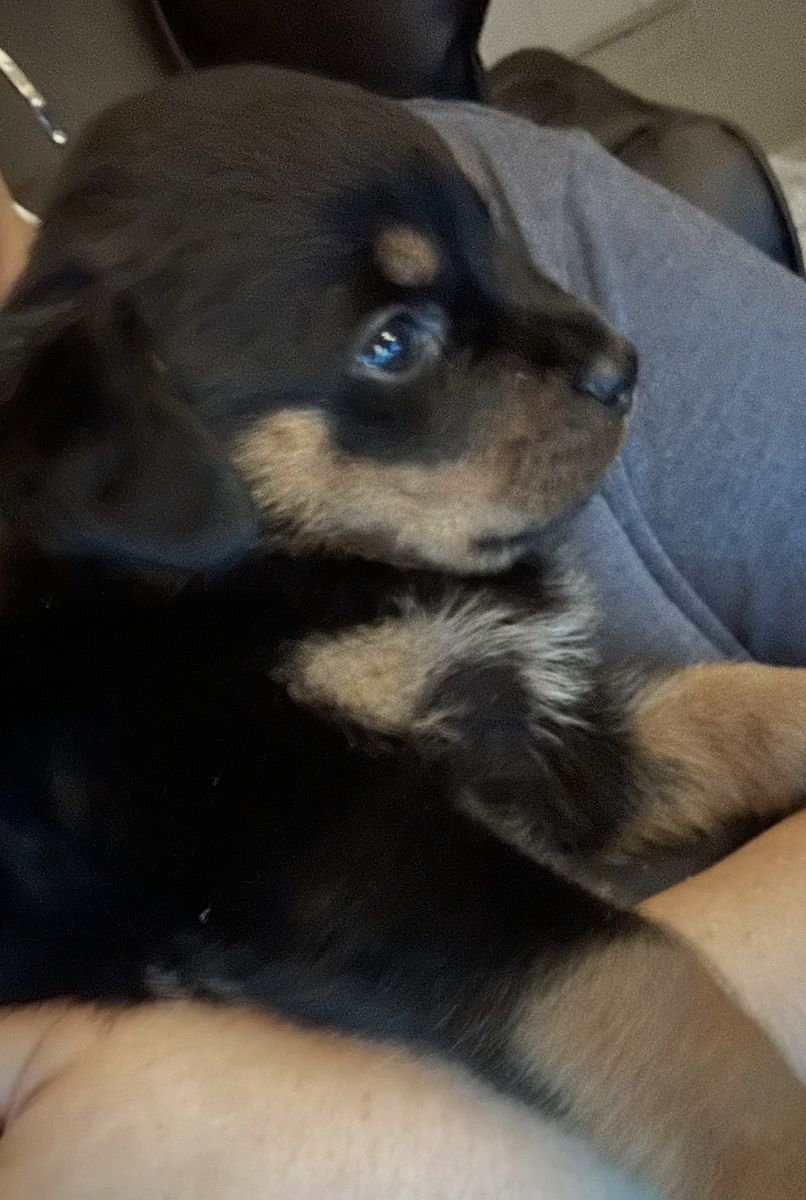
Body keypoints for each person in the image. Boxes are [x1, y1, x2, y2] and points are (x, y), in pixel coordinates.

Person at [3, 19, 806, 1198]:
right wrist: (732, 1118)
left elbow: (585, 761)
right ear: (141, 457)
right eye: (392, 345)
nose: (590, 350)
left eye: (488, 241)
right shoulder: (125, 669)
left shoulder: (390, 211)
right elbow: (364, 876)